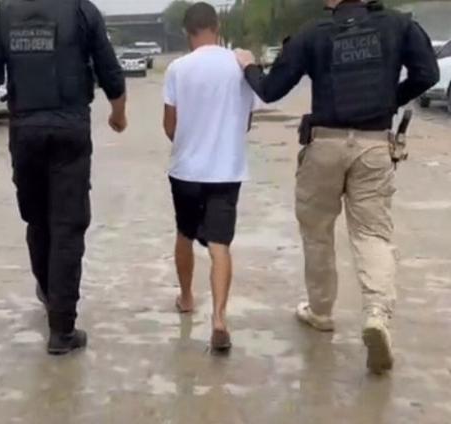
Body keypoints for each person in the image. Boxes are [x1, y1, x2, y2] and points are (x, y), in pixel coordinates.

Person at [235, 0, 439, 373]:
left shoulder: (312, 34)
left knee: (317, 233)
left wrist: (248, 65)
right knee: (372, 234)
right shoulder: (399, 25)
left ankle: (321, 311)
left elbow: (271, 90)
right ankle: (376, 313)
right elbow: (427, 74)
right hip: (374, 145)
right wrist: (388, 100)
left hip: (324, 144)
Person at [0, 0, 127, 355]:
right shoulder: (82, 10)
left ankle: (51, 293)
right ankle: (62, 330)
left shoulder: (6, 13)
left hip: (25, 132)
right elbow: (110, 72)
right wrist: (119, 114)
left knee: (38, 222)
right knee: (67, 227)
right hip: (70, 129)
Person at [163, 2, 257, 352]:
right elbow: (246, 121)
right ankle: (218, 318)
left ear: (187, 32)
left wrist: (190, 142)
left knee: (185, 234)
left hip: (186, 171)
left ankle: (187, 297)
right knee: (220, 245)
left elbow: (169, 125)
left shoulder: (177, 68)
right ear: (217, 27)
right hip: (226, 170)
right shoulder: (240, 65)